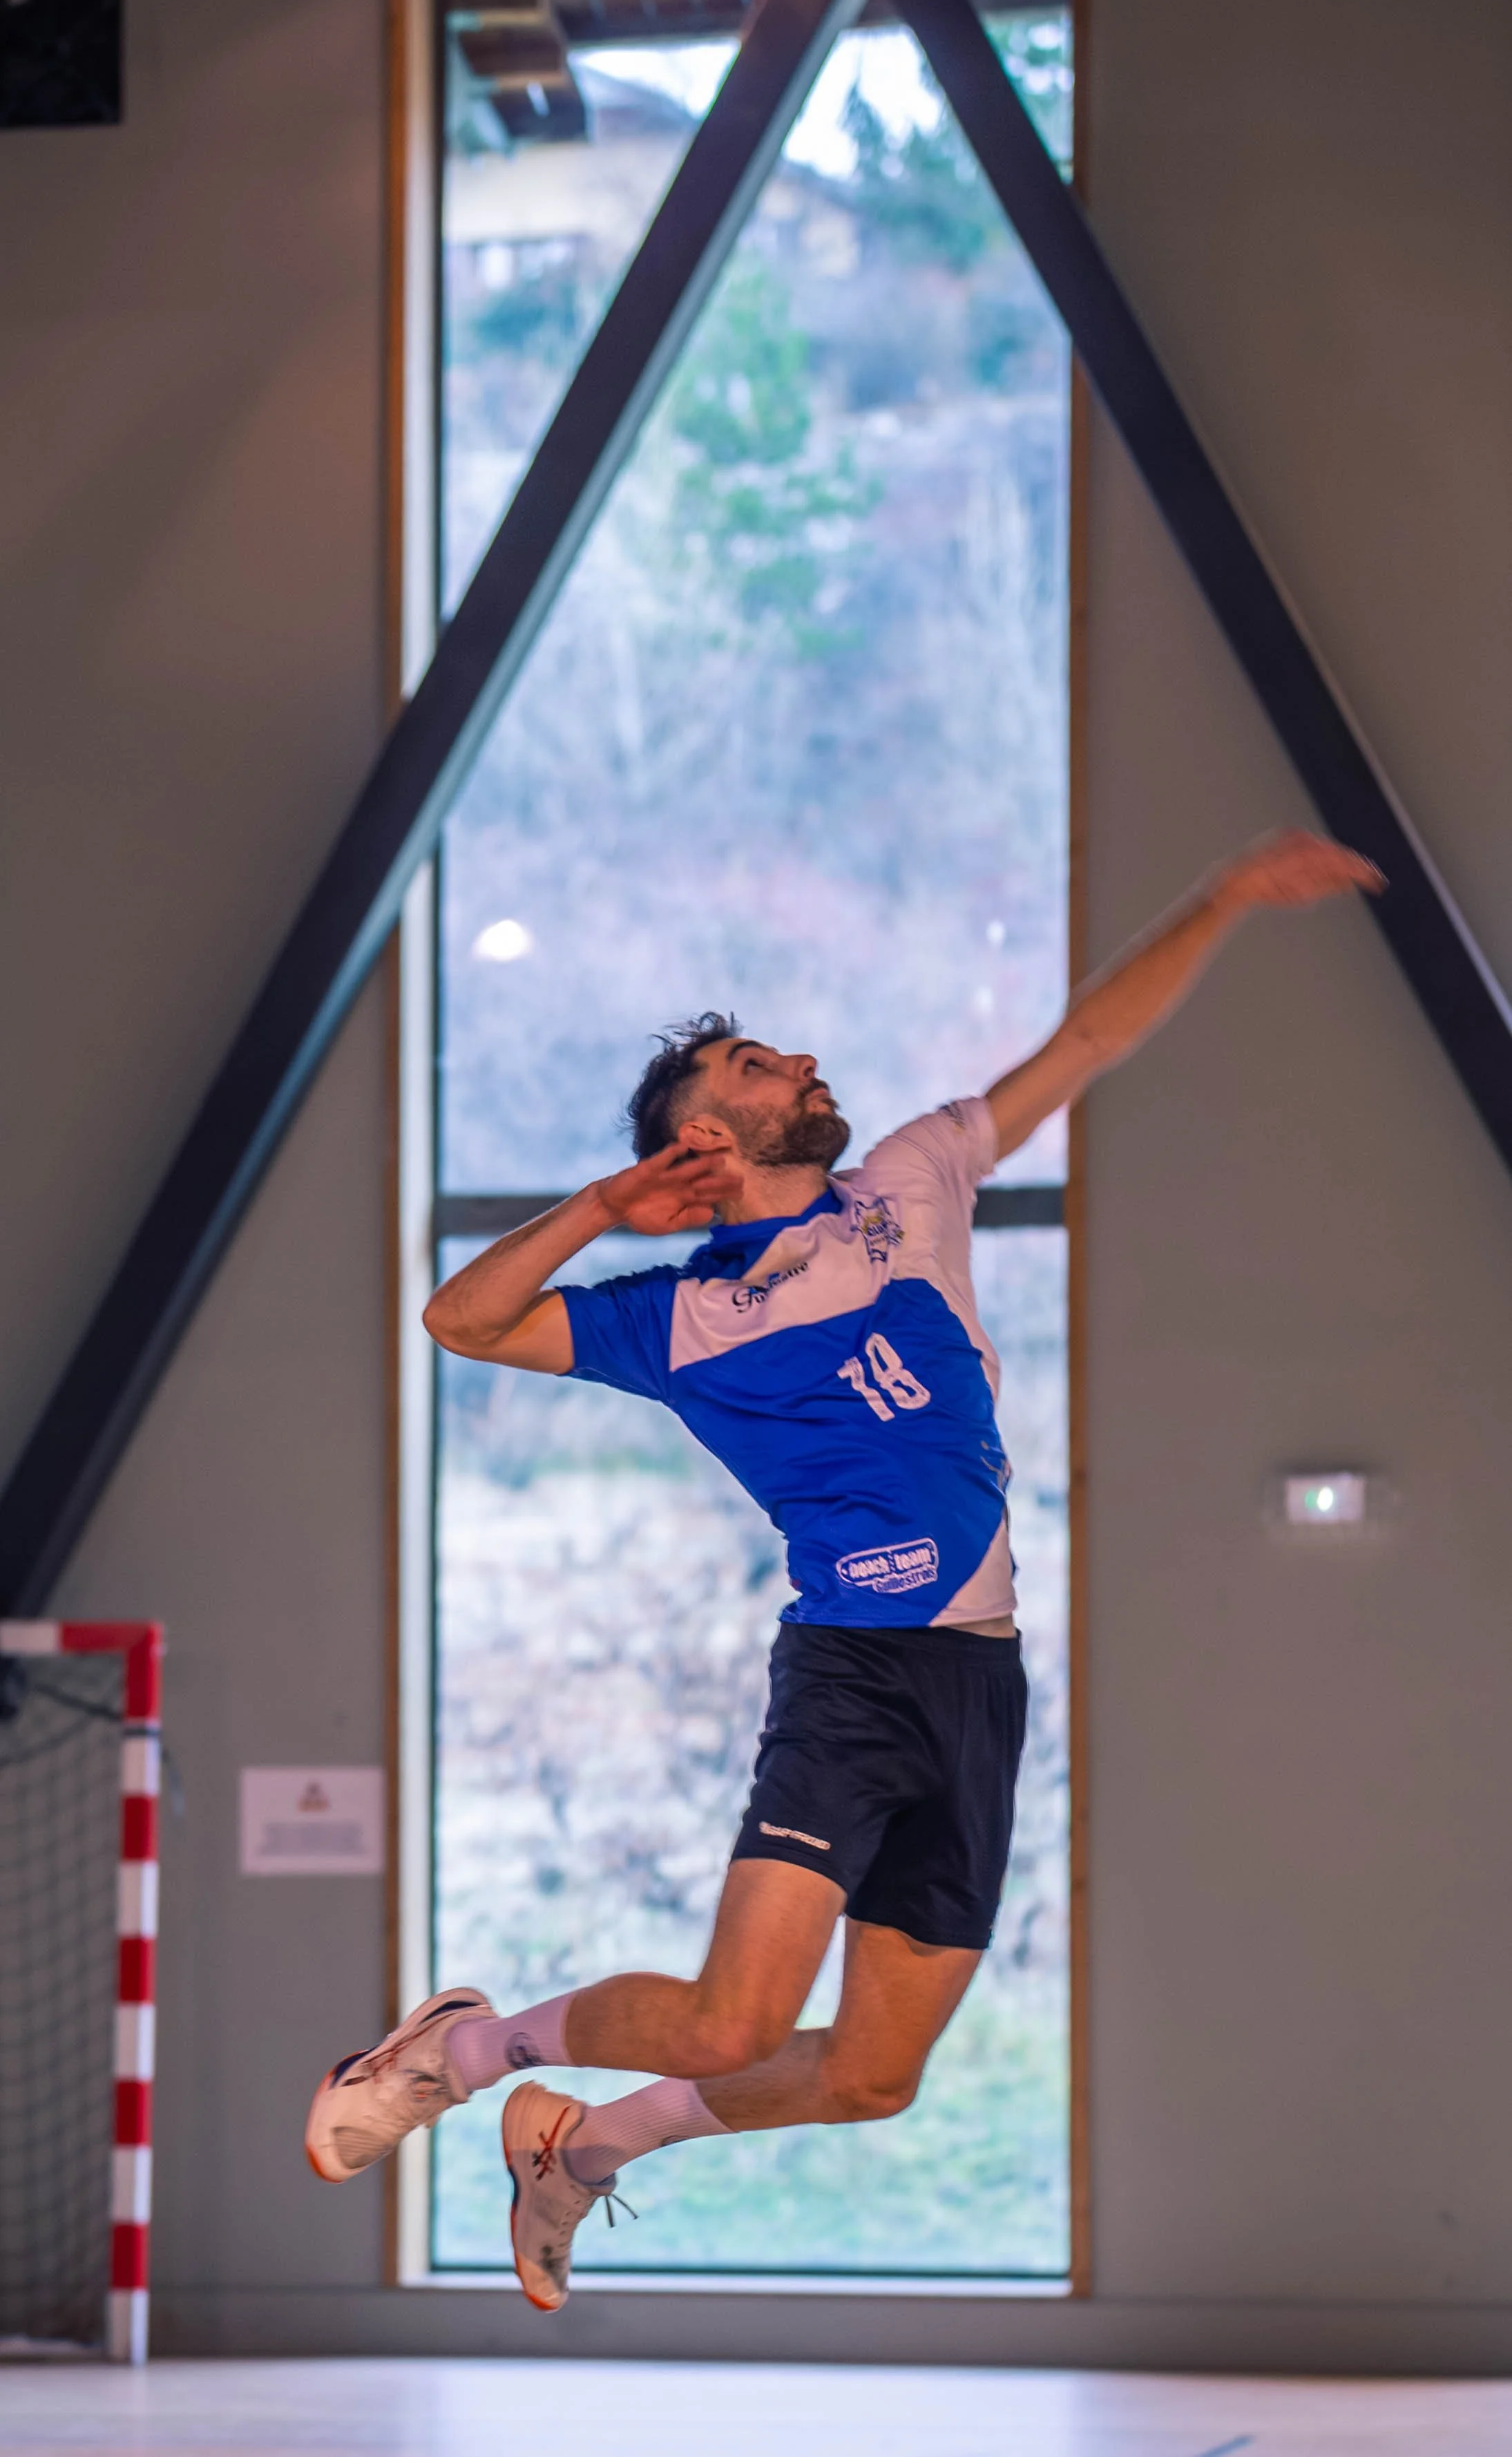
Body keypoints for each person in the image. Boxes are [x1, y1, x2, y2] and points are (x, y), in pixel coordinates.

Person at [305, 828, 1381, 2310]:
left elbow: (1083, 1039)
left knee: (873, 2079)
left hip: (976, 1678)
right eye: (752, 1066)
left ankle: (581, 2153)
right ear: (701, 1141)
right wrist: (603, 1211)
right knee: (726, 2021)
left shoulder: (912, 1177)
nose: (797, 1060)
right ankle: (458, 2052)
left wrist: (1216, 900)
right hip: (855, 1670)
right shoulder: (672, 1317)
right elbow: (463, 1319)